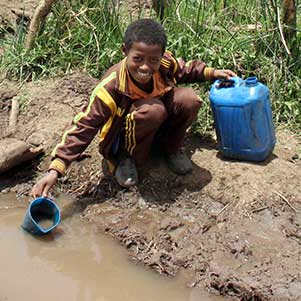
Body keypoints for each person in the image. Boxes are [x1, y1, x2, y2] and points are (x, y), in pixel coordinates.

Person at [31, 18, 236, 197]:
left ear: (161, 56)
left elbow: (185, 69)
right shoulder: (111, 87)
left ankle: (171, 148)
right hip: (122, 138)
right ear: (125, 52)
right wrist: (55, 170)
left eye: (153, 60)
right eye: (137, 59)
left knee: (189, 99)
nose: (145, 67)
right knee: (153, 110)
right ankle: (126, 158)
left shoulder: (163, 64)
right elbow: (85, 126)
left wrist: (213, 73)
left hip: (153, 125)